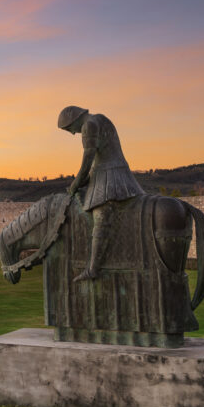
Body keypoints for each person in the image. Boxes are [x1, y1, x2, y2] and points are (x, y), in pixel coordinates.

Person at [58, 106, 145, 282]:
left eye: (69, 129)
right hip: (106, 172)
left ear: (73, 120)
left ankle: (93, 269)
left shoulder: (88, 125)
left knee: (101, 217)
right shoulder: (99, 118)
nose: (72, 134)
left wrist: (75, 183)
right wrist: (81, 182)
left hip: (110, 175)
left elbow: (88, 159)